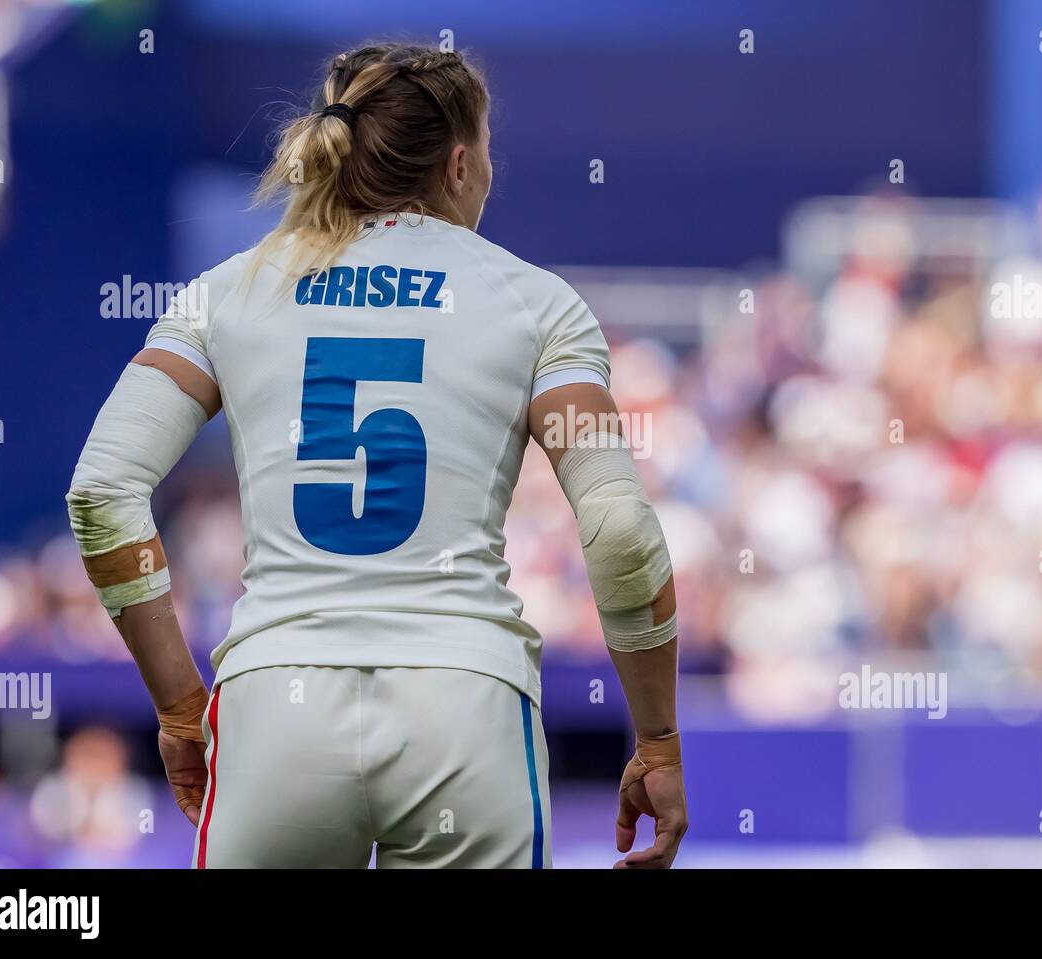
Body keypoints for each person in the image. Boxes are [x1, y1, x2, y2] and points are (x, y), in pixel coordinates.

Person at [65, 42, 686, 868]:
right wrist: (659, 741)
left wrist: (181, 708)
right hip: (464, 706)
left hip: (276, 706)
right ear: (460, 163)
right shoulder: (539, 306)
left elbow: (103, 489)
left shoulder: (227, 292)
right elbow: (621, 532)